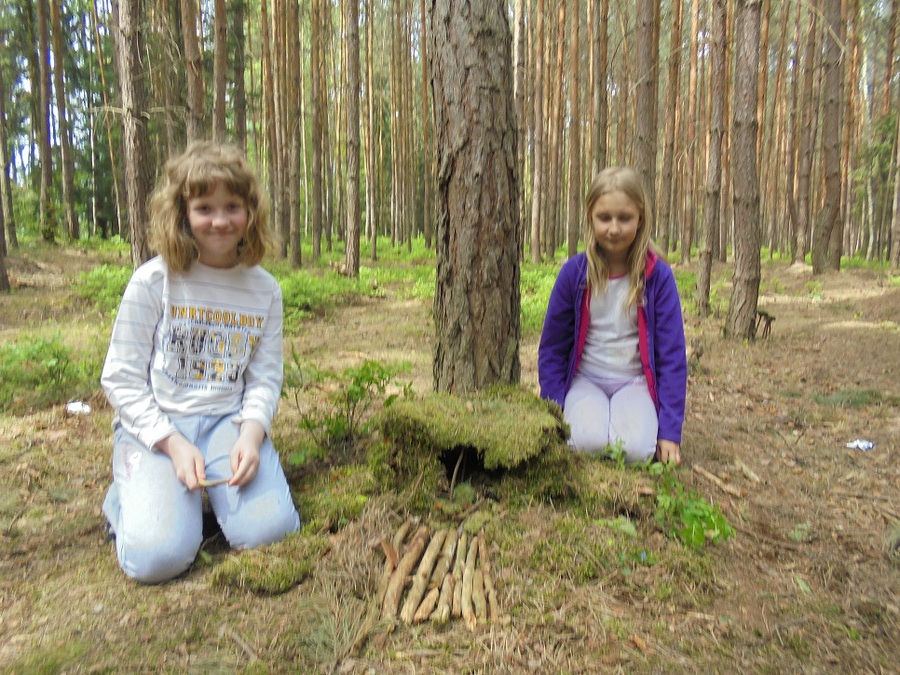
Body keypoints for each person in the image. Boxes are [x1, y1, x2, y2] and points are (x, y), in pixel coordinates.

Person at [101, 141, 301, 584]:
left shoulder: (264, 290)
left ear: (250, 212)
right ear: (182, 213)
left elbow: (265, 379)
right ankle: (124, 498)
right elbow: (120, 378)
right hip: (158, 428)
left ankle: (190, 498)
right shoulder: (154, 281)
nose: (220, 220)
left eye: (232, 206)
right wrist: (172, 443)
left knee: (272, 531)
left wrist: (251, 436)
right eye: (204, 208)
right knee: (159, 558)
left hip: (226, 424)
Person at [538, 166, 687, 465]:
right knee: (583, 443)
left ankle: (630, 426)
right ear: (590, 218)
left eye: (624, 218)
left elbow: (672, 356)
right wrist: (553, 408)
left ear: (640, 218)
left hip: (634, 382)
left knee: (636, 451)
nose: (614, 228)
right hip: (585, 380)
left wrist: (669, 431)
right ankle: (592, 424)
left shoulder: (658, 277)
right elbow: (552, 349)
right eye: (604, 218)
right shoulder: (574, 275)